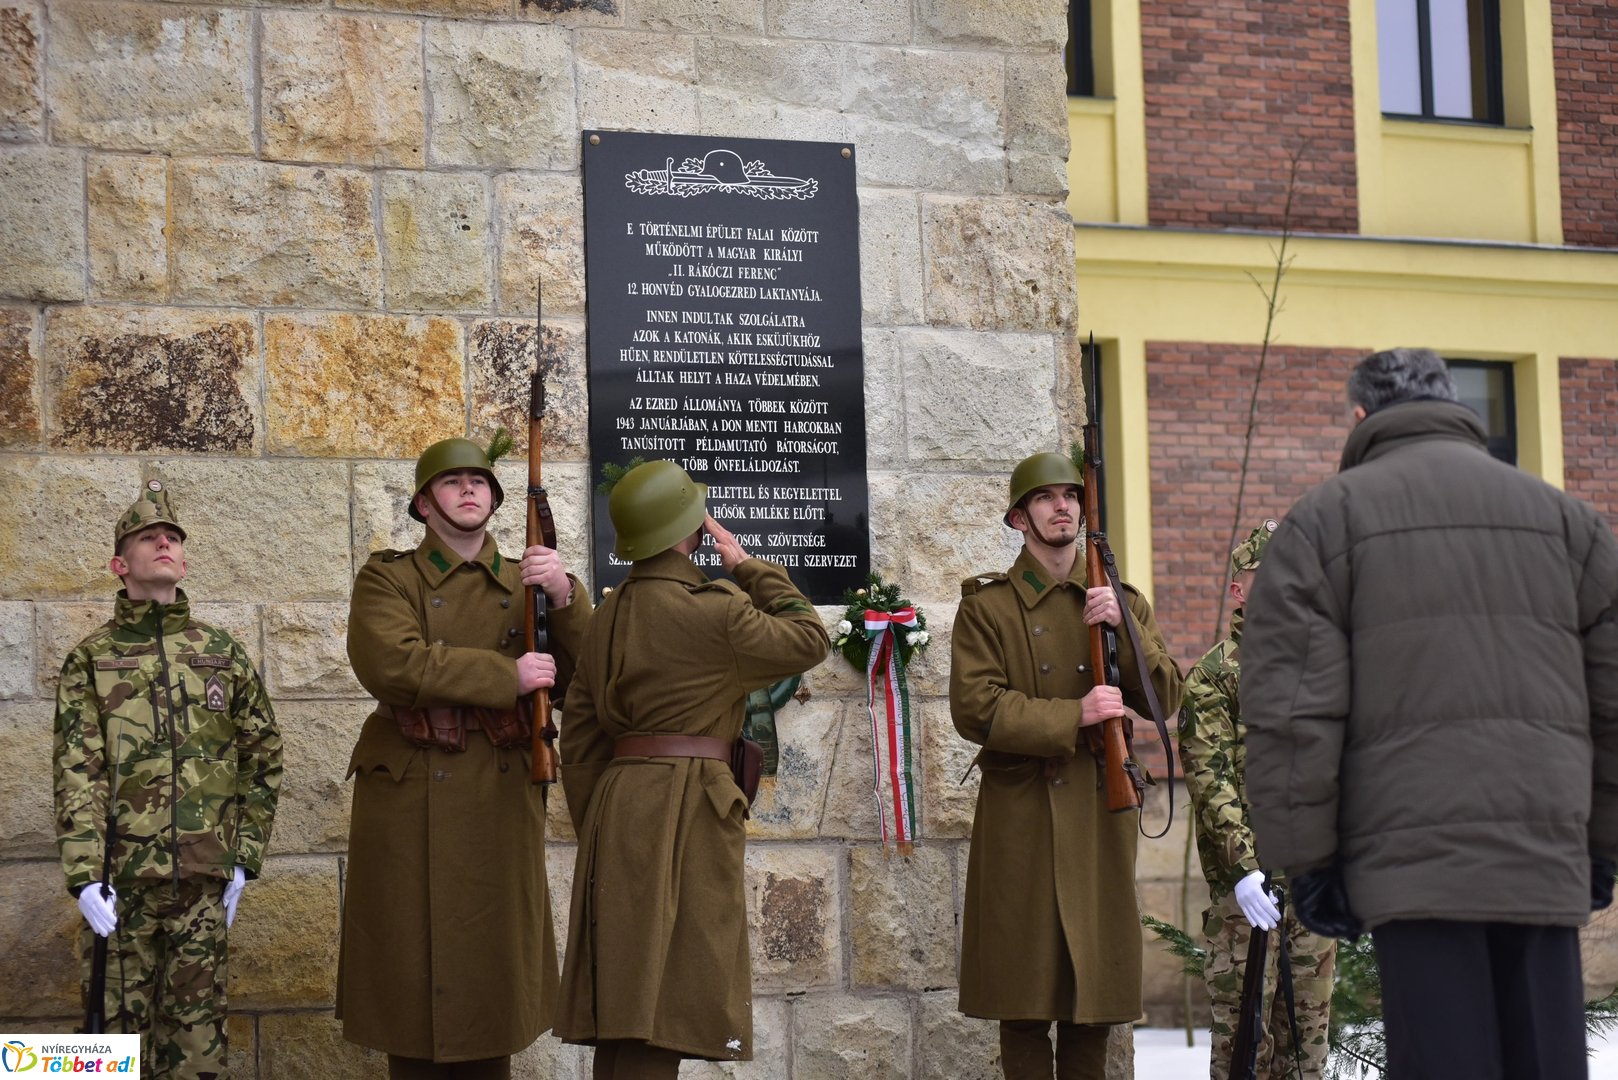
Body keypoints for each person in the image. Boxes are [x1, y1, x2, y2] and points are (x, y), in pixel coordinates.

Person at [1241, 347, 1618, 1080]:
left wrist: (1310, 863)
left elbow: (1293, 715)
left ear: (1360, 416)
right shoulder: (1570, 523)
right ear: (1455, 404)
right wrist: (1603, 845)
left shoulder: (1322, 526)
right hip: (1543, 850)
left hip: (1409, 863)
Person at [554, 459, 828, 1079]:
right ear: (694, 529)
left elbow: (580, 733)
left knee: (623, 998)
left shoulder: (608, 615)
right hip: (692, 810)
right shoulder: (719, 612)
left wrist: (597, 819)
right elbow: (809, 636)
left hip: (618, 807)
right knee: (669, 999)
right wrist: (748, 566)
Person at [337, 437, 589, 1080]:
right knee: (410, 961)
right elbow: (391, 664)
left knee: (488, 966)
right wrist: (508, 674)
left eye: (480, 481)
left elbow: (588, 681)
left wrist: (564, 595)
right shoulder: (388, 578)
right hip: (412, 787)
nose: (469, 490)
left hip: (498, 786)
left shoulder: (527, 583)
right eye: (452, 483)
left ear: (497, 499)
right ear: (425, 503)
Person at [950, 451, 1184, 1079]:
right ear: (1017, 518)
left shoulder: (1119, 599)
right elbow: (974, 708)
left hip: (1096, 809)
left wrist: (1124, 635)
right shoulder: (988, 607)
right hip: (1021, 814)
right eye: (1047, 498)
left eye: (1071, 496)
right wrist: (1072, 715)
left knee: (1093, 1001)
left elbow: (1167, 702)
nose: (1064, 507)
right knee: (1024, 1002)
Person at [53, 479, 283, 1078]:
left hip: (202, 887)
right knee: (108, 1050)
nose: (163, 542)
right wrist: (84, 875)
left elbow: (263, 755)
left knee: (198, 1048)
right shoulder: (93, 660)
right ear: (118, 563)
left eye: (173, 536)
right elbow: (79, 768)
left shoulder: (221, 653)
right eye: (147, 536)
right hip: (120, 884)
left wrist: (244, 857)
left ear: (183, 559)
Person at [1179, 519, 1334, 1079]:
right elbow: (1209, 777)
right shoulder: (1215, 677)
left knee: (1307, 1049)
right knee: (1247, 1044)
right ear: (1239, 591)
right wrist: (1244, 871)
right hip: (1248, 896)